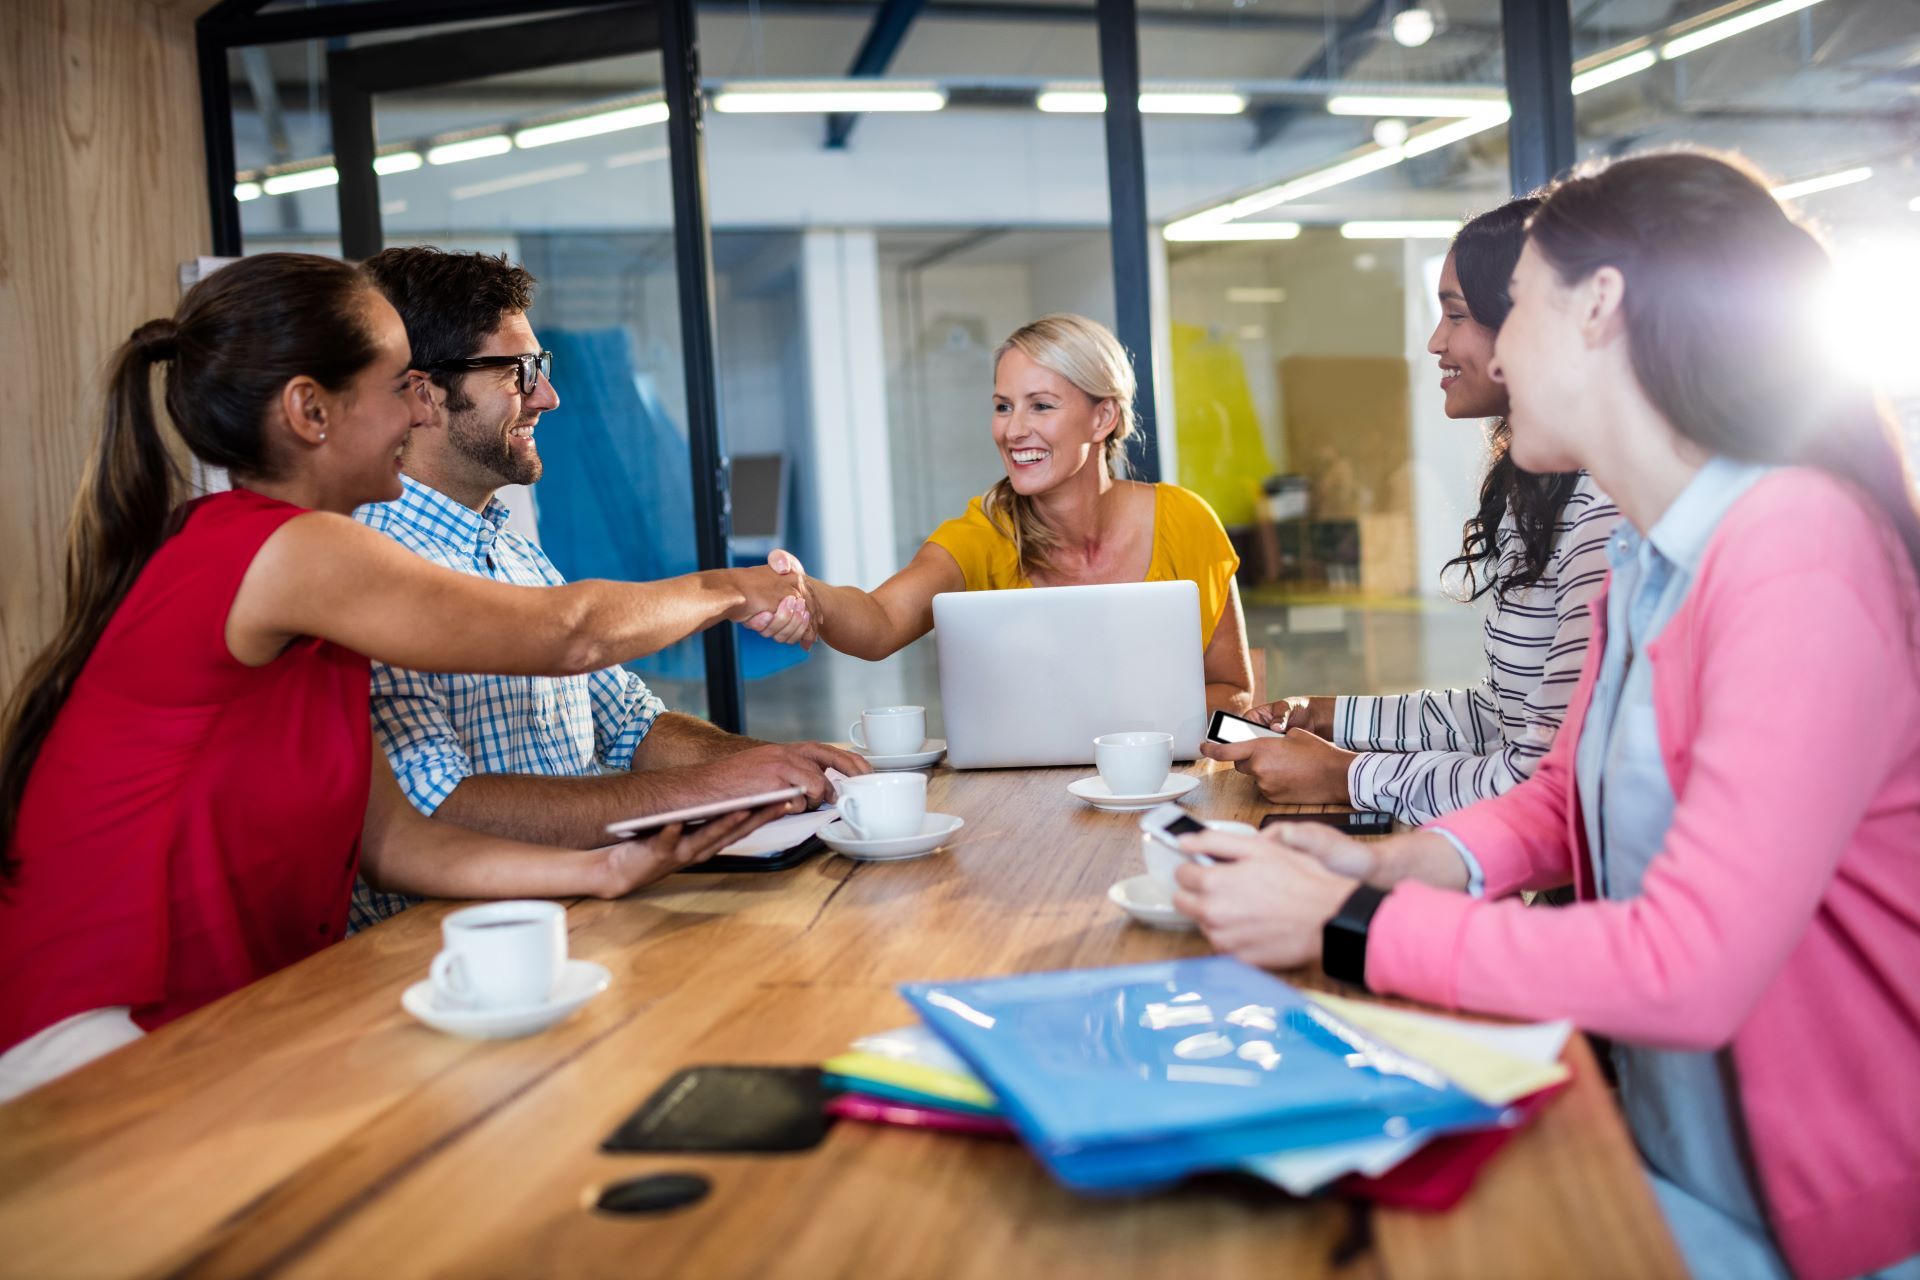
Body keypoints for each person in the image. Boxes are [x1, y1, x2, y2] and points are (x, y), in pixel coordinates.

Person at [1172, 152, 1920, 1280]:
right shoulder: (1643, 548)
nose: (1492, 347)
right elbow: (1564, 795)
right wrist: (1399, 868)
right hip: (1678, 1159)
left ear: (1601, 305)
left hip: (1828, 1218)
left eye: (1511, 304)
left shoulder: (1798, 548)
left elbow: (1691, 963)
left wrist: (1346, 924)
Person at [0, 253, 809, 1101]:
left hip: (218, 1011)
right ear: (310, 411)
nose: (417, 410)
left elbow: (394, 843)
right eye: (400, 388)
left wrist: (605, 870)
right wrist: (727, 586)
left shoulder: (320, 585)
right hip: (102, 1027)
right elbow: (567, 634)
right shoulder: (290, 550)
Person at [346, 247, 868, 930]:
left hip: (594, 914)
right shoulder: (365, 560)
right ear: (424, 393)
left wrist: (777, 767)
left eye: (544, 369)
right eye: (519, 372)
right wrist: (713, 786)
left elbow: (629, 723)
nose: (548, 396)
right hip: (446, 958)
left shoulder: (511, 550)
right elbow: (438, 808)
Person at [1204, 198, 1620, 822]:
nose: (1435, 342)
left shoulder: (1602, 512)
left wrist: (1348, 776)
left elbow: (1543, 785)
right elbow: (1502, 719)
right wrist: (1331, 716)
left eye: (1456, 314)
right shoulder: (1539, 496)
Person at [748, 314, 1255, 712]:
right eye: (1003, 406)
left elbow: (1233, 690)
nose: (1013, 431)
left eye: (1040, 405)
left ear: (1102, 417)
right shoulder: (985, 533)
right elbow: (880, 622)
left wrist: (1122, 719)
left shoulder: (1186, 521)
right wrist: (809, 595)